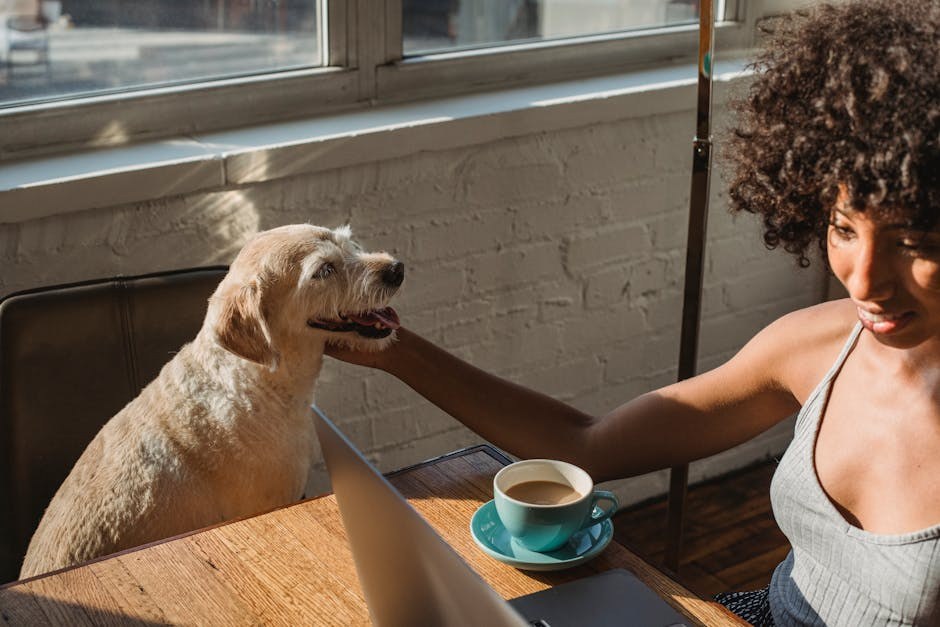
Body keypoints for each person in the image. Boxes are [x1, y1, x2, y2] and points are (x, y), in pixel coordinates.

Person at [326, 1, 939, 624]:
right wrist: (392, 349)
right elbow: (583, 447)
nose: (864, 281)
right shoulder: (818, 347)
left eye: (912, 245)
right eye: (842, 228)